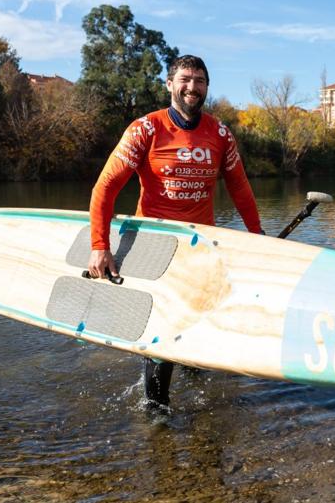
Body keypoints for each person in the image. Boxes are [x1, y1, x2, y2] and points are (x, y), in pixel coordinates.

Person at [87, 54, 263, 409]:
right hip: (157, 245)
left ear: (207, 88)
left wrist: (258, 239)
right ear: (169, 84)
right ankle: (156, 409)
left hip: (200, 244)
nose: (192, 87)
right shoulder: (145, 129)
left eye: (199, 81)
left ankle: (198, 376)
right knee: (164, 327)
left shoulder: (221, 134)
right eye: (184, 79)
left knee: (199, 317)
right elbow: (105, 187)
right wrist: (99, 246)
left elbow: (241, 190)